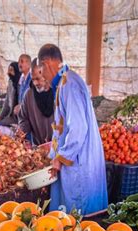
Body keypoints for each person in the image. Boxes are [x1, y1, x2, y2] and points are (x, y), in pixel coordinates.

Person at [38, 43, 107, 215]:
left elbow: (78, 128)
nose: (43, 76)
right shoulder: (65, 82)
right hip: (75, 157)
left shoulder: (69, 83)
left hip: (78, 160)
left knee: (80, 219)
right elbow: (65, 126)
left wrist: (61, 157)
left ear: (46, 63)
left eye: (41, 70)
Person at [18, 59, 53, 145]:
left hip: (59, 148)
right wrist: (23, 135)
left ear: (45, 74)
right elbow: (23, 118)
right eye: (33, 79)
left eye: (38, 78)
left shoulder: (58, 92)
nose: (35, 83)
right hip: (38, 147)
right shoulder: (28, 95)